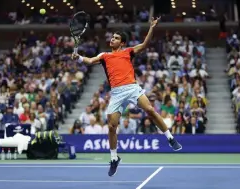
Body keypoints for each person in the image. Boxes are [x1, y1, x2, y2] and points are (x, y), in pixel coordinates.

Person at [72, 17, 182, 177]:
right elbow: (89, 61)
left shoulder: (128, 52)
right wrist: (80, 57)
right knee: (111, 126)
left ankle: (170, 138)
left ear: (122, 43)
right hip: (116, 92)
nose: (112, 39)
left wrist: (152, 27)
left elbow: (144, 45)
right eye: (112, 37)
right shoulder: (104, 56)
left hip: (132, 88)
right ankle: (114, 158)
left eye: (116, 38)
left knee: (150, 110)